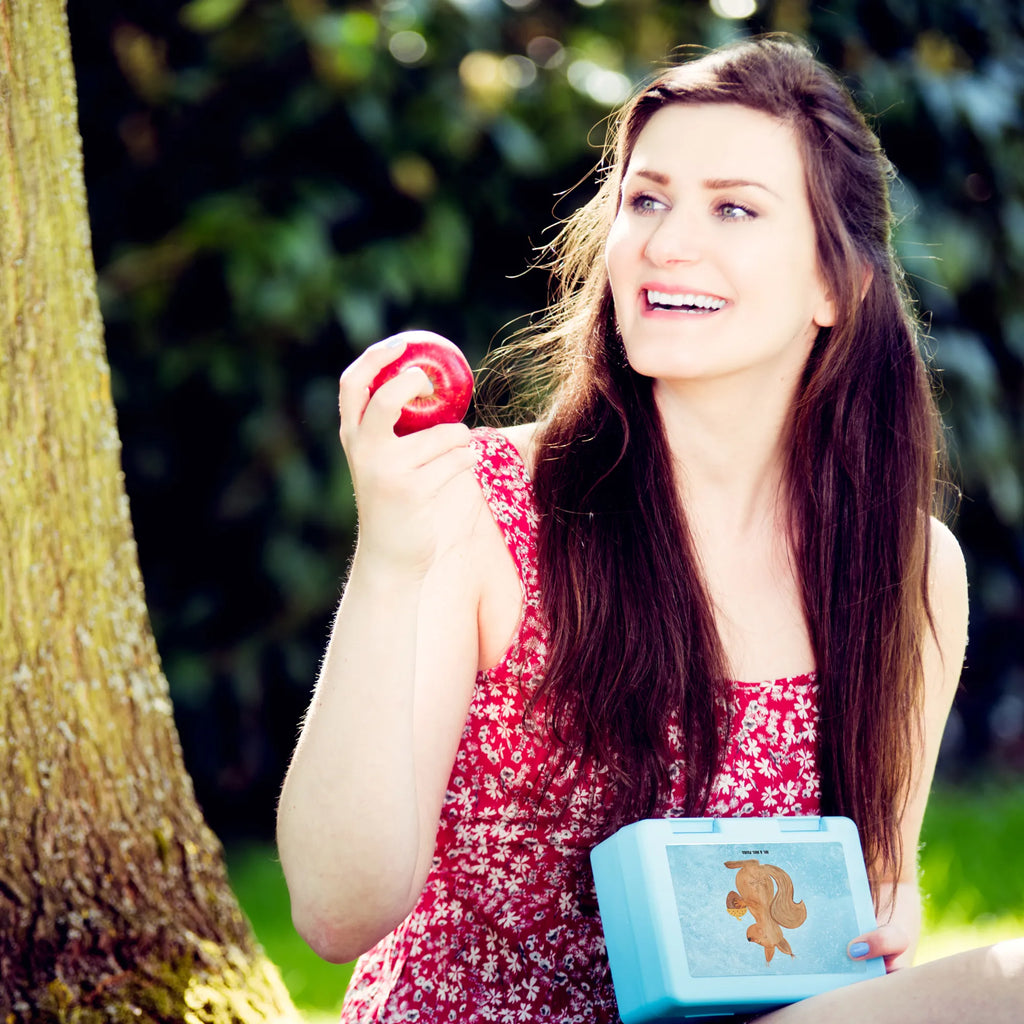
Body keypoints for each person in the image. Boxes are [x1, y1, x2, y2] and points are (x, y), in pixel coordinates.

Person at [276, 34, 1023, 1023]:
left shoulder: (908, 569)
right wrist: (393, 557)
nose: (667, 241)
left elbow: (873, 901)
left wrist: (887, 908)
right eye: (645, 198)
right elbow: (335, 913)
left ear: (833, 287)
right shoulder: (483, 508)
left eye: (732, 207)